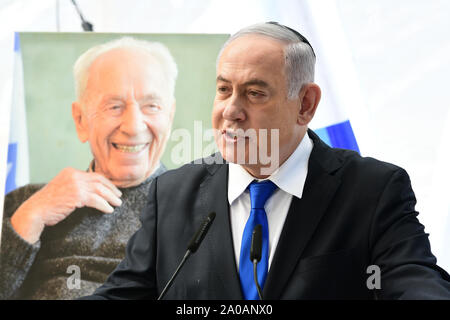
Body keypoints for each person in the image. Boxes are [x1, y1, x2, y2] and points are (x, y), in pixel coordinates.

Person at [84, 22, 450, 300]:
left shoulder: (372, 190)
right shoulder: (173, 191)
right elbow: (125, 294)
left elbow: (413, 281)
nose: (230, 110)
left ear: (305, 104)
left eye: (255, 93)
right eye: (224, 89)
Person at [0, 37, 177, 299]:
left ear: (169, 117)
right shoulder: (23, 205)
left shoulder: (200, 210)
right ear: (80, 120)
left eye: (151, 106)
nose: (134, 126)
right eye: (114, 106)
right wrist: (30, 217)